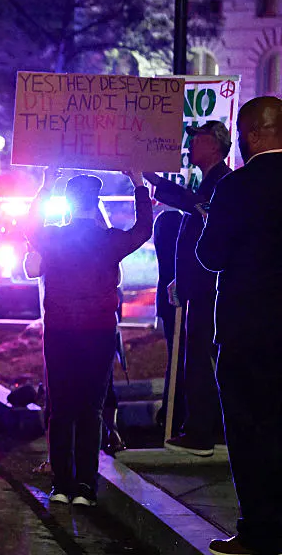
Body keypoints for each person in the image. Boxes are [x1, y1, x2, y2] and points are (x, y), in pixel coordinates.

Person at [25, 168, 152, 507]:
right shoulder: (109, 239)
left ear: (67, 203)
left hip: (60, 330)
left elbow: (28, 226)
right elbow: (143, 230)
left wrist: (44, 185)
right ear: (94, 202)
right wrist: (138, 184)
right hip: (98, 331)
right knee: (91, 410)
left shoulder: (53, 238)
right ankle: (85, 485)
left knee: (62, 409)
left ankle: (62, 483)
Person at [196, 96, 282, 555]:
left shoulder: (237, 188)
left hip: (247, 331)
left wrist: (213, 223)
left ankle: (259, 530)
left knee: (249, 432)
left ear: (251, 135)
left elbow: (210, 257)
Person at [145, 121, 232, 456]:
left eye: (197, 140)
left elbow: (201, 211)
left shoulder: (221, 182)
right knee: (194, 356)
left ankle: (201, 431)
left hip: (209, 288)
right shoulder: (209, 182)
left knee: (199, 356)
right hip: (197, 284)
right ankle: (200, 426)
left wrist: (152, 180)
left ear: (214, 145)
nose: (191, 146)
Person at [152, 207, 185, 436]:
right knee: (179, 359)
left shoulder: (163, 224)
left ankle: (170, 412)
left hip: (167, 303)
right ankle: (173, 413)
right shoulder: (176, 225)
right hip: (177, 301)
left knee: (175, 358)